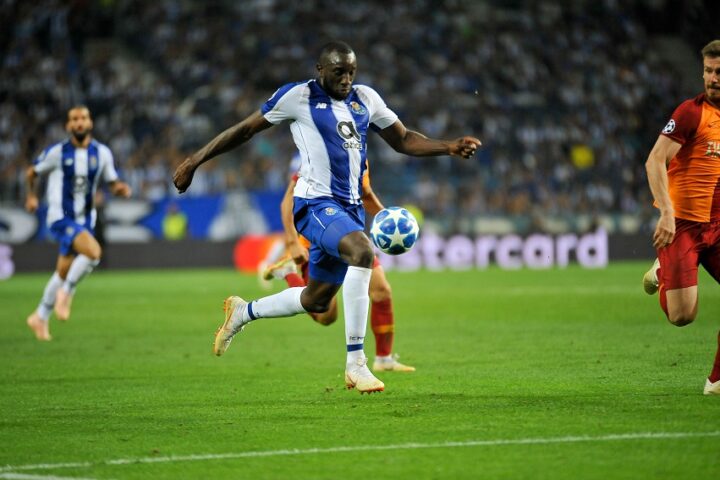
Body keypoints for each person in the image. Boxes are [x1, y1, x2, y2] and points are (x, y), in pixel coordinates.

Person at [173, 40, 480, 393]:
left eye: (351, 72)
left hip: (349, 210)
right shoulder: (297, 96)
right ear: (320, 70)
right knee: (361, 251)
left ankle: (243, 312)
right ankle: (356, 364)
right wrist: (194, 161)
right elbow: (245, 129)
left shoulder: (366, 98)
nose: (347, 79)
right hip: (314, 204)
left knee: (316, 302)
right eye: (338, 72)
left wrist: (449, 146)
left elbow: (404, 140)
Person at [262, 161, 415, 372]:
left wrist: (391, 222)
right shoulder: (319, 153)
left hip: (352, 240)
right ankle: (288, 272)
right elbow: (289, 199)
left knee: (381, 290)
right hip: (319, 240)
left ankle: (384, 358)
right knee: (326, 315)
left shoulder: (360, 155)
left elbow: (366, 195)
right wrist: (291, 241)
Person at [642, 39, 720, 396]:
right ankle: (663, 271)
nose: (713, 78)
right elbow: (655, 160)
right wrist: (667, 213)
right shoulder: (691, 112)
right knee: (682, 316)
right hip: (684, 224)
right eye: (708, 71)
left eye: (719, 72)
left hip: (717, 224)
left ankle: (716, 381)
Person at [25, 106, 132, 341]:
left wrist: (120, 189)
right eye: (74, 119)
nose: (79, 122)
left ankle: (40, 316)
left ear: (90, 123)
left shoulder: (102, 153)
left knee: (62, 272)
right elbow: (32, 172)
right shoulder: (57, 152)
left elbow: (112, 182)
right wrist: (31, 196)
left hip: (85, 220)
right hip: (60, 217)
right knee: (94, 252)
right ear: (68, 126)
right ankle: (67, 294)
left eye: (83, 118)